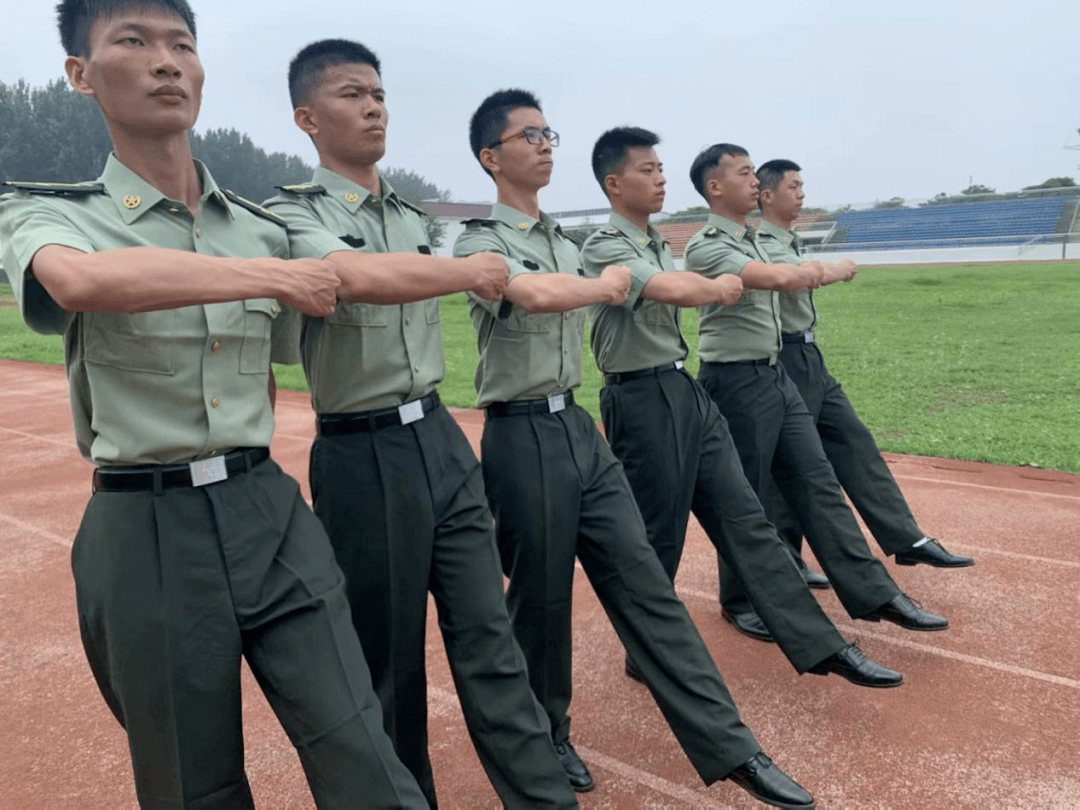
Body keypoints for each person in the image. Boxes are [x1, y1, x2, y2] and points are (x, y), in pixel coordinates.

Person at [0, 2, 509, 806]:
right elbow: (82, 282)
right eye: (132, 42)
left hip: (266, 509)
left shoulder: (260, 226)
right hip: (145, 528)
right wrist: (267, 278)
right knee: (194, 785)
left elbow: (291, 348)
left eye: (182, 45)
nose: (167, 62)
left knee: (363, 753)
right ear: (81, 74)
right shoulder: (50, 213)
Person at [453, 88, 816, 810]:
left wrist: (602, 281)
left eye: (549, 131)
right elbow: (532, 295)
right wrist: (606, 284)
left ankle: (731, 746)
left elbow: (587, 284)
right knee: (541, 603)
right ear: (493, 157)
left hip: (578, 427)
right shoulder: (476, 241)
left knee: (648, 584)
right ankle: (547, 733)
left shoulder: (565, 238)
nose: (545, 143)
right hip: (520, 433)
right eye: (529, 135)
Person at [262, 39, 577, 810]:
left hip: (439, 437)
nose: (374, 107)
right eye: (350, 94)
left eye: (378, 92)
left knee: (490, 644)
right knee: (391, 662)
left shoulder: (408, 214)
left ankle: (542, 797)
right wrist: (469, 271)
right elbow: (349, 278)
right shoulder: (290, 215)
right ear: (306, 117)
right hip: (360, 454)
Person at [580, 126, 902, 689]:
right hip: (637, 396)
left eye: (660, 169)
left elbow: (682, 280)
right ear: (613, 183)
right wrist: (721, 286)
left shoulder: (658, 241)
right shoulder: (603, 245)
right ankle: (647, 645)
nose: (659, 178)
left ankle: (821, 643)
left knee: (746, 518)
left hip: (682, 388)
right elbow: (669, 290)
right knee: (659, 535)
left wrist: (723, 282)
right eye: (647, 170)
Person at [683, 143, 950, 643]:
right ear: (715, 187)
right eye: (744, 175)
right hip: (734, 381)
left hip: (773, 374)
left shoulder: (754, 237)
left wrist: (810, 271)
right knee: (749, 494)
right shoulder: (707, 244)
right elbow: (773, 278)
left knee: (819, 482)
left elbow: (780, 270)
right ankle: (739, 599)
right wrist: (819, 272)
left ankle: (875, 592)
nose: (753, 184)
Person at [754, 158, 975, 575]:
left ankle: (906, 538)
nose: (801, 194)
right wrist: (836, 270)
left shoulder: (787, 240)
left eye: (803, 187)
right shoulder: (761, 242)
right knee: (790, 461)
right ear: (766, 196)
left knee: (853, 440)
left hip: (808, 355)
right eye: (793, 187)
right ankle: (787, 558)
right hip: (781, 356)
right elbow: (795, 276)